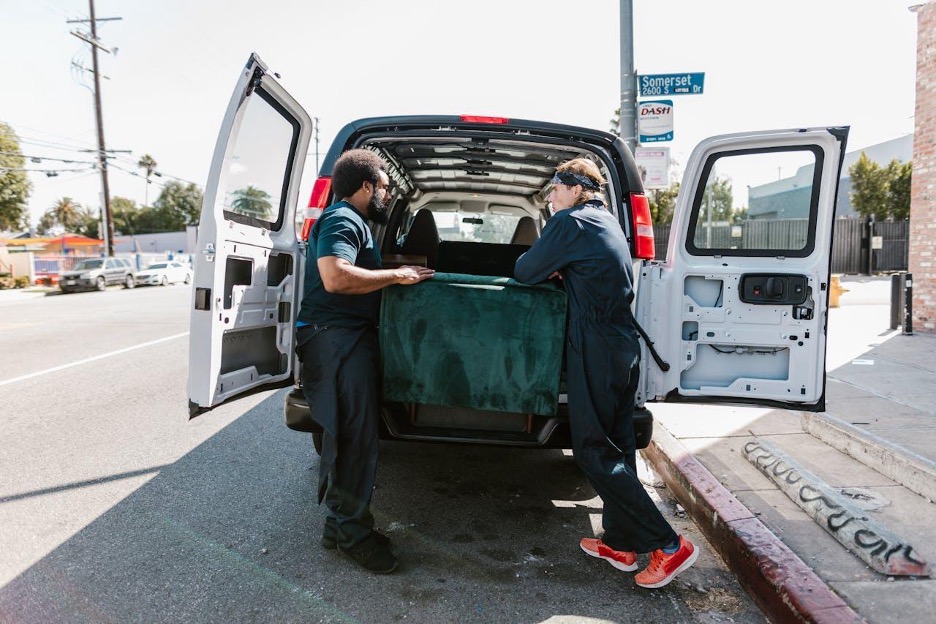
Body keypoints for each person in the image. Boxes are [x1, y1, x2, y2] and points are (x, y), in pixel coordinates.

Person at [514, 158, 697, 589]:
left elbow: (524, 270)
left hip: (594, 348)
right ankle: (622, 542)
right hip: (622, 348)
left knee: (594, 451)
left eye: (555, 189)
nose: (551, 197)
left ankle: (669, 546)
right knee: (618, 447)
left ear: (577, 188)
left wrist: (553, 266)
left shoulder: (570, 223)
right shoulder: (609, 222)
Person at [296, 148, 434, 574]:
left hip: (345, 340)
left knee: (350, 438)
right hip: (335, 341)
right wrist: (397, 275)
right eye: (386, 187)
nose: (389, 195)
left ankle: (340, 529)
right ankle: (354, 536)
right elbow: (335, 276)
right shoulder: (342, 219)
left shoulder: (354, 221)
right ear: (367, 185)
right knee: (355, 440)